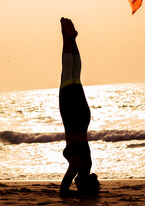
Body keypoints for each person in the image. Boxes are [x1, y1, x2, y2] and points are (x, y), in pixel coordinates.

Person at [59, 17, 100, 196]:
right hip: (73, 118)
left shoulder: (88, 164)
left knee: (76, 75)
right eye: (78, 186)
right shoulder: (77, 165)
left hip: (83, 118)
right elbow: (63, 191)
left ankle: (73, 39)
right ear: (81, 184)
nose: (74, 183)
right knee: (67, 75)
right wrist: (77, 195)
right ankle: (65, 37)